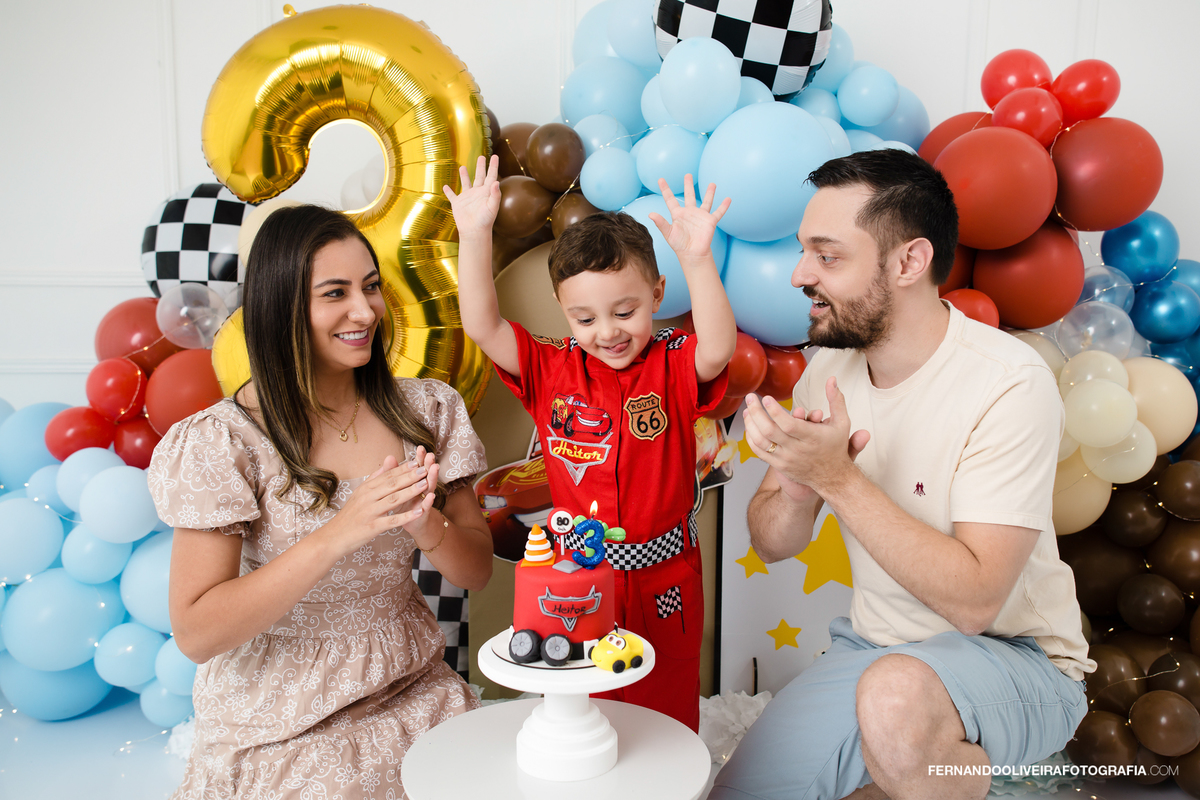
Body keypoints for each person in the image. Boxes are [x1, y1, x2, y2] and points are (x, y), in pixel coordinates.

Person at [709, 149, 1094, 800]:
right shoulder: (830, 370)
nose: (801, 273)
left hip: (1019, 659)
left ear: (909, 262)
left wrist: (838, 478)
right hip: (873, 649)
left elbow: (974, 603)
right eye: (806, 252)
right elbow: (773, 542)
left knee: (895, 703)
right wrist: (799, 481)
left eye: (827, 256)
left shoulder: (1009, 383)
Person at [147, 204, 493, 799]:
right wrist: (339, 532)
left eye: (371, 287)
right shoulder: (225, 441)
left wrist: (425, 522)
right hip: (280, 714)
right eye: (335, 293)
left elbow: (477, 571)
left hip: (411, 685)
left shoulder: (426, 411)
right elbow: (198, 632)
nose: (365, 312)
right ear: (281, 308)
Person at [445, 156, 735, 730]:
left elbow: (719, 350)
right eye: (584, 318)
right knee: (586, 711)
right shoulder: (550, 370)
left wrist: (698, 259)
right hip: (577, 578)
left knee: (665, 709)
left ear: (656, 294)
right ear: (563, 313)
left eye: (625, 311)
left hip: (665, 577)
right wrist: (474, 235)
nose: (607, 332)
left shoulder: (673, 363)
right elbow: (483, 326)